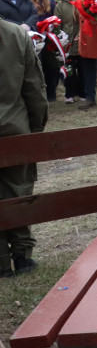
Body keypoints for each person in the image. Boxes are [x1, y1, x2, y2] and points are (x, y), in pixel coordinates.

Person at [0, 17, 48, 276]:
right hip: (15, 128)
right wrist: (35, 129)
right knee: (18, 190)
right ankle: (22, 256)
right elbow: (34, 88)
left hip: (15, 128)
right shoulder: (16, 35)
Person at [54, 0, 82, 103]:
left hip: (80, 40)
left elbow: (85, 20)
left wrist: (82, 33)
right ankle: (69, 94)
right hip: (66, 42)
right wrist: (61, 37)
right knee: (68, 69)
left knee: (82, 69)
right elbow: (57, 23)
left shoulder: (81, 1)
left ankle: (82, 92)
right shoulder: (60, 4)